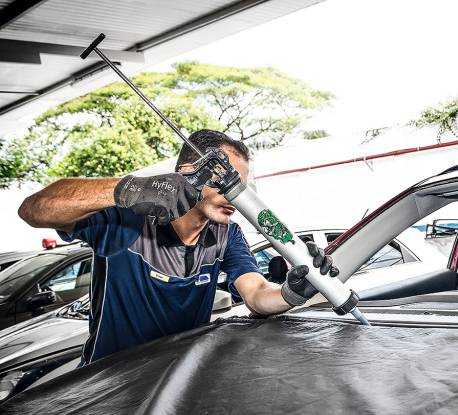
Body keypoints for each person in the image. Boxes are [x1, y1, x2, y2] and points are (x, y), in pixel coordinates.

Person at [18, 129, 336, 365]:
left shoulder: (227, 235)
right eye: (227, 184)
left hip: (175, 387)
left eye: (243, 188)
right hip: (108, 388)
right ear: (188, 175)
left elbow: (255, 294)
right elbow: (34, 209)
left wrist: (289, 294)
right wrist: (131, 188)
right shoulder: (127, 223)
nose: (237, 198)